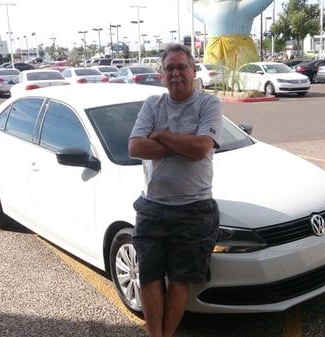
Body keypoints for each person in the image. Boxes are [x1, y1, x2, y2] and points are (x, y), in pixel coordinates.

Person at [128, 44, 222, 337]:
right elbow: (134, 147)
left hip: (194, 209)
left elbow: (201, 148)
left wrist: (163, 136)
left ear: (194, 71)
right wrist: (183, 142)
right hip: (152, 206)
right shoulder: (152, 105)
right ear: (162, 75)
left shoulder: (209, 105)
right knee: (149, 277)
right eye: (170, 68)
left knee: (181, 280)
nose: (176, 73)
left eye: (182, 67)